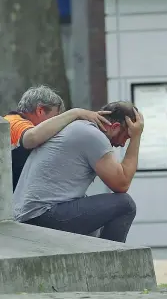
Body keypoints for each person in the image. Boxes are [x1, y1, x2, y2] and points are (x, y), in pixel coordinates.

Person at [13, 101, 144, 243]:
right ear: (115, 127)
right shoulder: (92, 135)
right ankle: (112, 263)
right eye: (126, 137)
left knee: (96, 220)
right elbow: (121, 183)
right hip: (40, 215)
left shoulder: (79, 128)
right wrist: (136, 138)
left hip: (29, 215)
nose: (123, 144)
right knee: (125, 205)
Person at [4, 85, 111, 191]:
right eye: (55, 117)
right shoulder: (13, 122)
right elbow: (31, 138)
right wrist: (76, 113)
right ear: (40, 111)